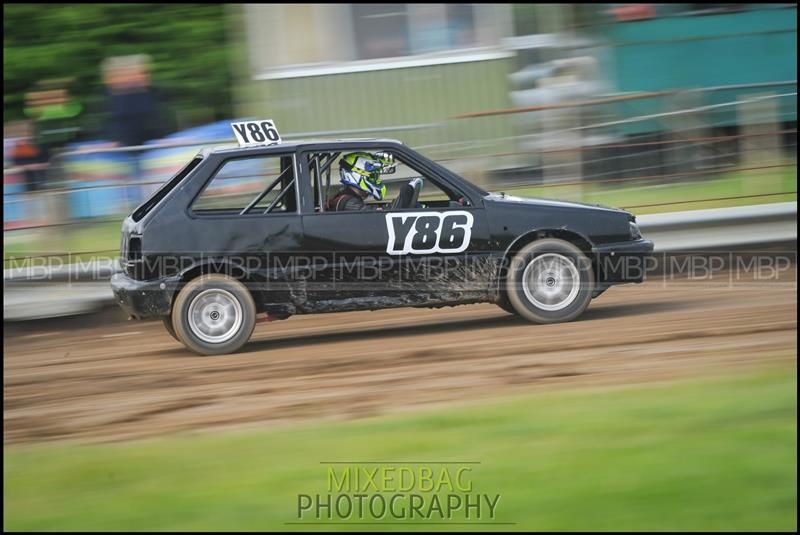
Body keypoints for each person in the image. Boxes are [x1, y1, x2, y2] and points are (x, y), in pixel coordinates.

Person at [325, 152, 397, 211]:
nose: (377, 180)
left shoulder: (347, 198)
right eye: (373, 176)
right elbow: (378, 215)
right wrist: (405, 194)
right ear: (357, 174)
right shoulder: (349, 203)